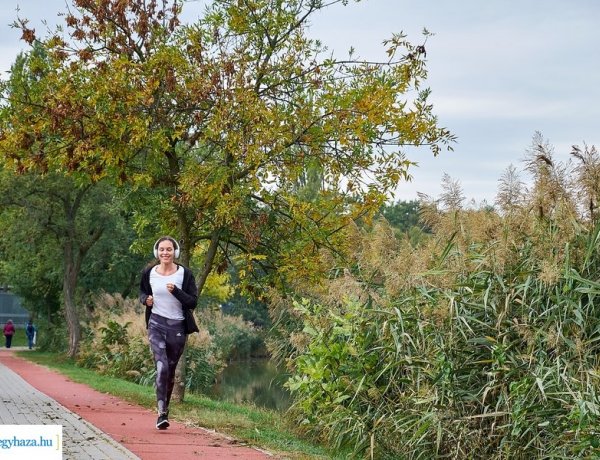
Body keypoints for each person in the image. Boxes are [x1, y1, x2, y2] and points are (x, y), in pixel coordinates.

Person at [139, 236, 199, 430]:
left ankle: (165, 410)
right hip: (156, 323)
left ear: (175, 252)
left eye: (169, 249)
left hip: (178, 327)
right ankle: (161, 413)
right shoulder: (149, 273)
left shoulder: (185, 274)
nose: (165, 253)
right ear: (157, 252)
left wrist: (177, 292)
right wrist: (145, 300)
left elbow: (192, 302)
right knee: (161, 366)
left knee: (170, 371)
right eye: (162, 249)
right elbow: (142, 292)